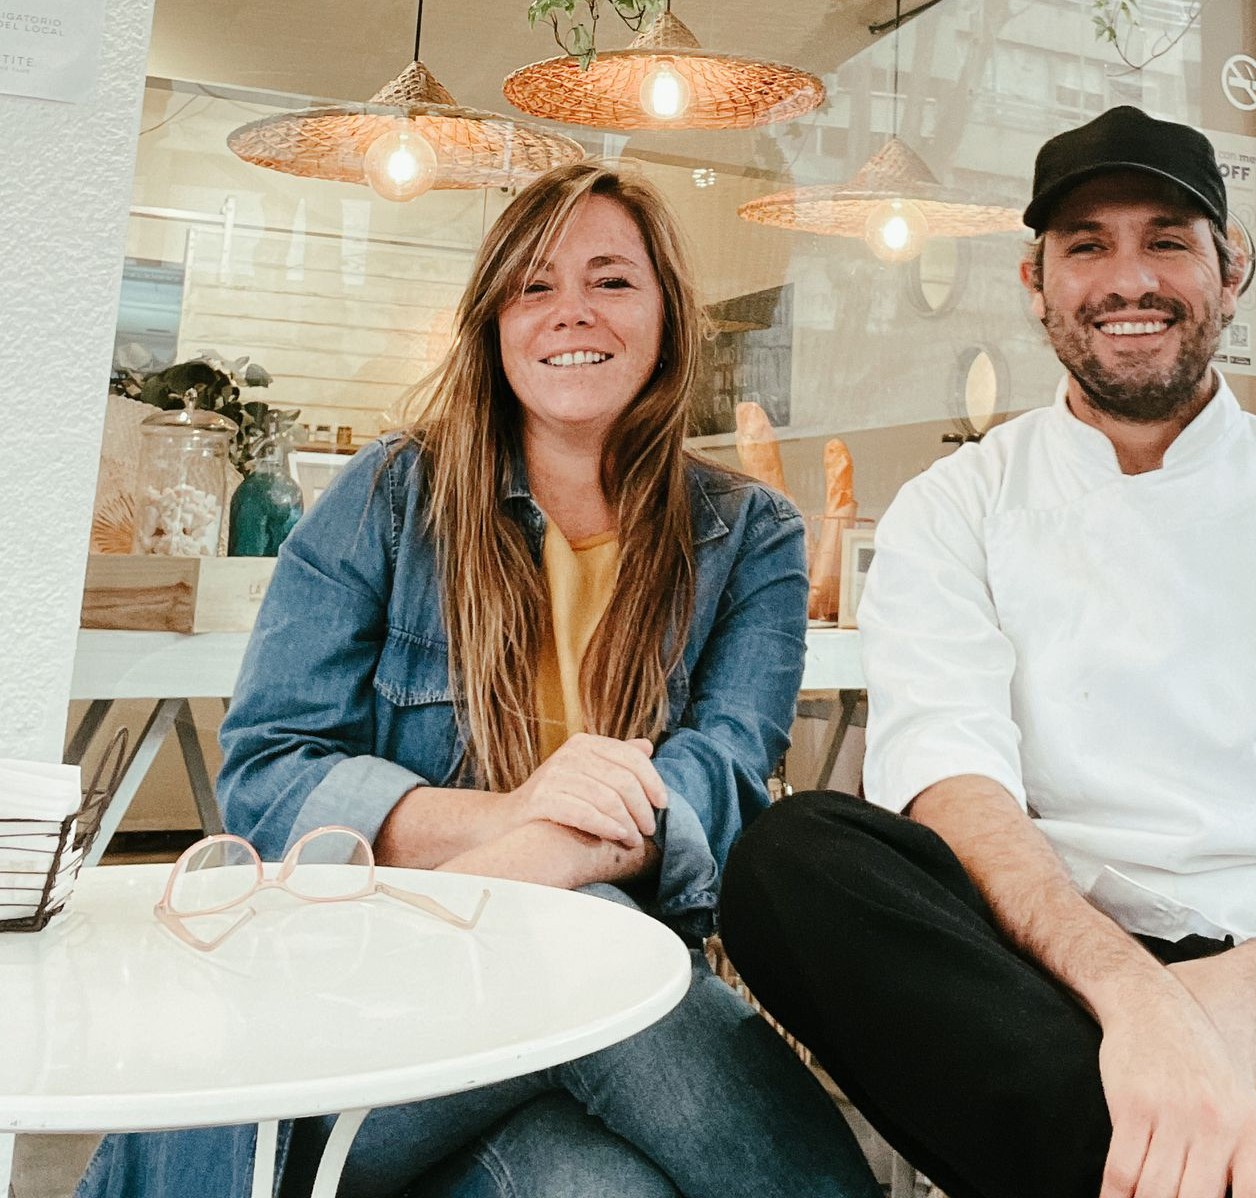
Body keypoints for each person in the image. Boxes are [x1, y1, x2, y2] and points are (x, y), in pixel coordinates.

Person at [718, 106, 1256, 1198]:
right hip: (1054, 997)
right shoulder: (959, 507)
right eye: (1087, 246)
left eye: (1167, 240)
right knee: (789, 859)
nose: (1126, 279)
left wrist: (1240, 999)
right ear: (1035, 281)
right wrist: (1136, 1004)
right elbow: (955, 790)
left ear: (1231, 269)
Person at [78, 162, 881, 1198]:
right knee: (613, 955)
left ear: (671, 319)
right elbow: (271, 772)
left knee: (600, 1185)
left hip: (557, 1026)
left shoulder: (747, 535)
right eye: (534, 285)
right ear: (494, 321)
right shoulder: (389, 496)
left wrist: (537, 867)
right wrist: (518, 814)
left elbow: (723, 779)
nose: (571, 313)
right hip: (374, 1002)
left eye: (612, 281)